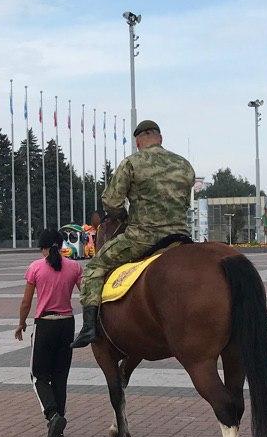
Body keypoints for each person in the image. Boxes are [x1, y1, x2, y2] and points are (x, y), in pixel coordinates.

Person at [73, 120, 195, 348]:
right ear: (160, 138)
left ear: (138, 142)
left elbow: (111, 202)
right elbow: (183, 203)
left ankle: (89, 327)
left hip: (143, 237)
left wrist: (123, 216)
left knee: (94, 268)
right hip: (181, 239)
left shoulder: (131, 163)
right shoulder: (184, 165)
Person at [16, 229, 82, 437]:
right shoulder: (74, 267)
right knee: (60, 377)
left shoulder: (35, 267)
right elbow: (86, 294)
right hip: (67, 324)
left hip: (45, 324)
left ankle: (53, 416)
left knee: (38, 376)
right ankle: (59, 429)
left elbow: (26, 302)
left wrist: (21, 323)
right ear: (61, 244)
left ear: (42, 247)